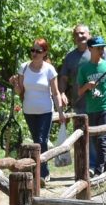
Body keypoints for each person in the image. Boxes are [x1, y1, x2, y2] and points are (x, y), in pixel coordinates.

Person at [9, 37, 66, 185]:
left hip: (46, 111)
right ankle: (37, 170)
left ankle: (43, 172)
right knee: (36, 141)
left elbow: (55, 92)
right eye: (32, 50)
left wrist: (60, 112)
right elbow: (20, 91)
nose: (34, 53)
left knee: (42, 140)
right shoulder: (24, 67)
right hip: (29, 110)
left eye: (38, 51)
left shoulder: (49, 70)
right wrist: (15, 84)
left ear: (44, 53)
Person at [76, 36, 106, 176]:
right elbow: (79, 92)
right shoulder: (84, 69)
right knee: (95, 140)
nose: (102, 50)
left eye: (103, 47)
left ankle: (98, 171)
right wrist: (87, 86)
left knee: (103, 139)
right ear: (90, 49)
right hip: (91, 108)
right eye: (98, 48)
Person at [58, 23, 106, 118]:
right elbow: (63, 78)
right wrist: (62, 93)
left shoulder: (101, 51)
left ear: (89, 34)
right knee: (81, 132)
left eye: (82, 33)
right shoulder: (70, 57)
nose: (79, 36)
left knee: (102, 132)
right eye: (76, 34)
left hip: (101, 103)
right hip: (80, 106)